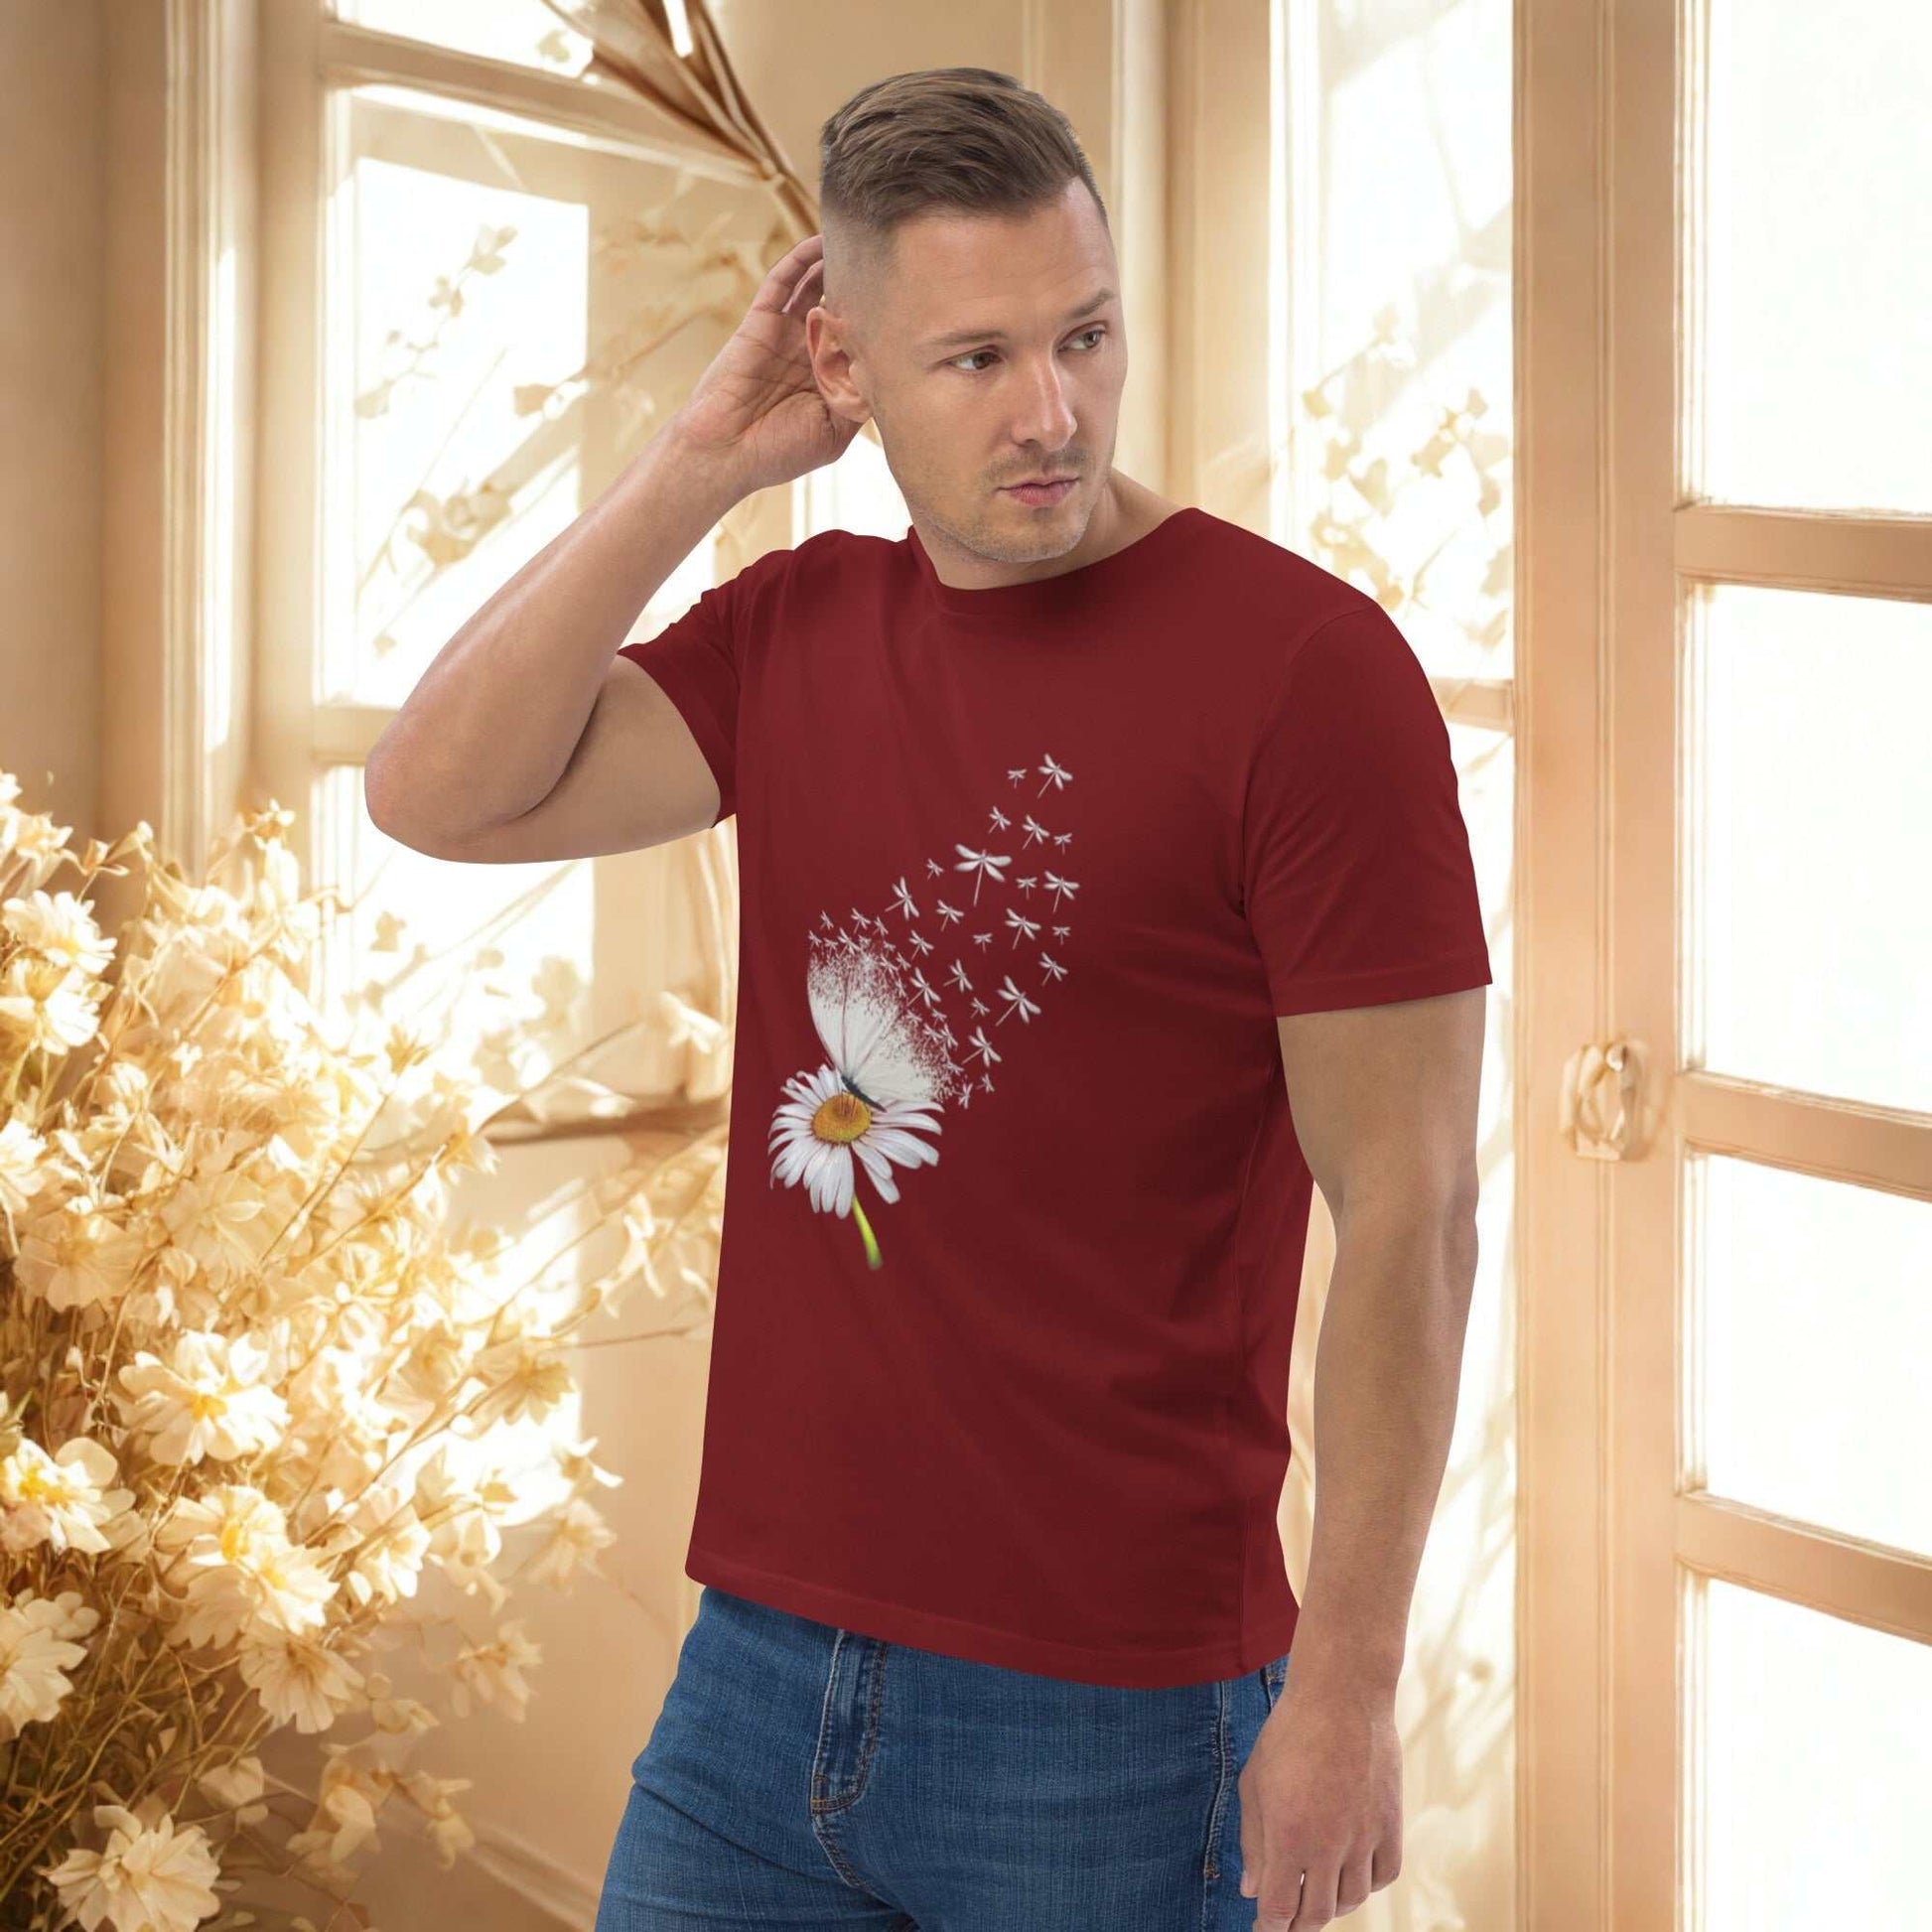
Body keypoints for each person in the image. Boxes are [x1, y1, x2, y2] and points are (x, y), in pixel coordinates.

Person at [365, 64, 1488, 1932]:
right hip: (756, 1677)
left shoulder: (1305, 675)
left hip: (1113, 1717)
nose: (1050, 412)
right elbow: (436, 792)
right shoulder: (794, 632)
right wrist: (695, 467)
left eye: (1085, 335)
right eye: (972, 359)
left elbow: (1415, 1210)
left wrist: (1349, 1689)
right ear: (846, 365)